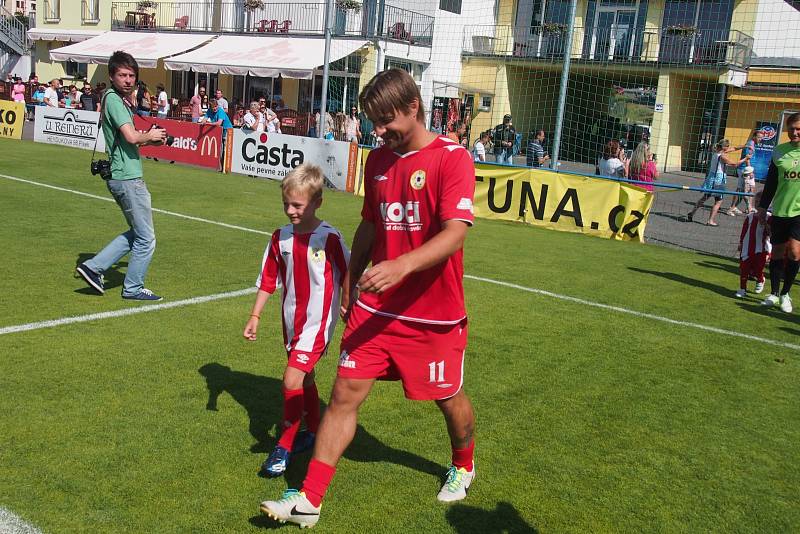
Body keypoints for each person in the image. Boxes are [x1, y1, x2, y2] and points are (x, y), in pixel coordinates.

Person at [260, 68, 477, 528]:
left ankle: (463, 464)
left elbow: (456, 233)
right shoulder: (378, 161)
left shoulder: (452, 159)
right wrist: (350, 279)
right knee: (343, 396)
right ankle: (309, 499)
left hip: (432, 315)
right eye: (372, 122)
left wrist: (400, 265)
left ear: (412, 107)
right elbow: (371, 224)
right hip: (375, 309)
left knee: (448, 397)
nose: (377, 132)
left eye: (384, 121)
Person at [243, 164, 350, 477]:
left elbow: (348, 271)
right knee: (305, 378)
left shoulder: (329, 237)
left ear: (317, 202)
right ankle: (314, 431)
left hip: (318, 324)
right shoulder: (280, 238)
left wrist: (347, 302)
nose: (290, 210)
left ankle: (284, 446)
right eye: (286, 204)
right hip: (291, 321)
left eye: (298, 205)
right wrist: (255, 315)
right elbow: (268, 279)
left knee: (290, 380)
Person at [75, 50, 168, 301]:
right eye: (122, 75)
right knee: (146, 238)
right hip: (127, 177)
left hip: (124, 174)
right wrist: (150, 136)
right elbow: (130, 136)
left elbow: (131, 141)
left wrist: (151, 139)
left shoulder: (116, 100)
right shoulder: (114, 100)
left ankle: (92, 268)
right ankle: (133, 288)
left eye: (131, 75)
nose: (128, 80)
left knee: (138, 233)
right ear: (112, 76)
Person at [758, 112, 800, 313]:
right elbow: (772, 183)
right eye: (791, 128)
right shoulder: (778, 152)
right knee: (776, 253)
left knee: (794, 251)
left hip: (799, 214)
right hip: (780, 210)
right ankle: (774, 293)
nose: (795, 132)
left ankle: (786, 294)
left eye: (798, 128)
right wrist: (762, 207)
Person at [688, 139, 746, 226]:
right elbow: (735, 164)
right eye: (727, 146)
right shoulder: (722, 156)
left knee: (705, 197)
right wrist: (745, 159)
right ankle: (710, 220)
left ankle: (692, 213)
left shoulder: (716, 152)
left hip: (711, 178)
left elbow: (734, 148)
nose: (729, 147)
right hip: (718, 180)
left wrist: (745, 146)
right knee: (718, 201)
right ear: (724, 147)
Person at [736, 190, 771, 298]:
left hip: (761, 249)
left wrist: (764, 223)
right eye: (756, 201)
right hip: (747, 247)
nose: (757, 203)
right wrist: (741, 243)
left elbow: (771, 232)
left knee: (757, 269)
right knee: (744, 268)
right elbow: (744, 231)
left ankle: (761, 279)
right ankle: (742, 289)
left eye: (761, 201)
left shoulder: (769, 217)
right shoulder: (750, 216)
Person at [727, 130, 761, 216]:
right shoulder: (750, 145)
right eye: (759, 137)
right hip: (744, 170)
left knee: (749, 189)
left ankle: (748, 207)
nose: (760, 139)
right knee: (742, 190)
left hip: (747, 170)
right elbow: (747, 159)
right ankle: (732, 208)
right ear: (754, 137)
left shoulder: (751, 144)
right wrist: (750, 171)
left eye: (761, 138)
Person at [203, 98, 233, 169]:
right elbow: (204, 120)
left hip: (227, 131)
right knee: (220, 150)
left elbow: (219, 123)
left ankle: (225, 168)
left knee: (225, 150)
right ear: (210, 107)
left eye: (216, 106)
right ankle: (222, 168)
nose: (215, 108)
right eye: (213, 107)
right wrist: (202, 122)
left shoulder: (221, 111)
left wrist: (208, 123)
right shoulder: (209, 111)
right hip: (219, 131)